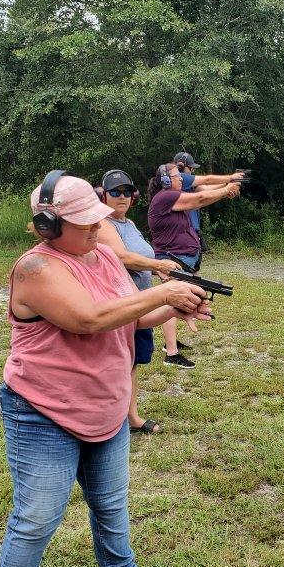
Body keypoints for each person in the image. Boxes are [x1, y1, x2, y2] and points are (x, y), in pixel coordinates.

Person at [0, 171, 211, 567]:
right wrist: (162, 291)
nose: (98, 226)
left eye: (97, 217)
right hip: (44, 411)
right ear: (47, 225)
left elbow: (129, 317)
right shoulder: (35, 268)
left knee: (111, 504)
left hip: (105, 406)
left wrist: (177, 307)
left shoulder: (105, 255)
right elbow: (88, 318)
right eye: (84, 222)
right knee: (37, 517)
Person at [95, 167, 193, 428]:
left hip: (140, 301)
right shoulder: (103, 222)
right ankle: (110, 418)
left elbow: (140, 258)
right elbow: (121, 257)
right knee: (118, 363)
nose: (122, 197)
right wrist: (159, 265)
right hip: (120, 302)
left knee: (133, 361)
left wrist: (157, 272)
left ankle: (131, 416)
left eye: (127, 192)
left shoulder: (129, 224)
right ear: (103, 195)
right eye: (115, 192)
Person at [147, 163, 240, 366]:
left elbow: (202, 195)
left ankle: (171, 346)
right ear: (164, 180)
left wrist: (225, 188)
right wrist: (226, 188)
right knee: (169, 302)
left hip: (182, 258)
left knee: (177, 302)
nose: (180, 178)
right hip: (173, 260)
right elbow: (200, 197)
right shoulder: (165, 196)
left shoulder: (173, 197)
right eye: (175, 176)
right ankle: (171, 353)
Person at [173, 151, 246, 252]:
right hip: (183, 232)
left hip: (191, 231)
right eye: (190, 167)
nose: (192, 170)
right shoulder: (179, 177)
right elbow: (207, 181)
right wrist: (230, 179)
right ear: (180, 166)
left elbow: (204, 189)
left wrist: (227, 186)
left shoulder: (185, 183)